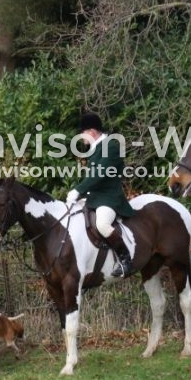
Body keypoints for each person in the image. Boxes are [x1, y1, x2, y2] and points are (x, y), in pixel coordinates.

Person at [65, 112, 137, 278]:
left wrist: (78, 190)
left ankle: (126, 260)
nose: (80, 138)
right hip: (95, 197)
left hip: (109, 198)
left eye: (81, 134)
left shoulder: (110, 146)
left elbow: (98, 175)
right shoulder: (97, 147)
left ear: (91, 132)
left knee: (102, 225)